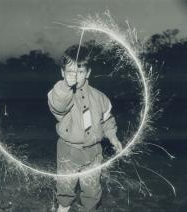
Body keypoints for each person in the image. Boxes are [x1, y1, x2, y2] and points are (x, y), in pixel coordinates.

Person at [47, 45, 122, 212]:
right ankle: (63, 206)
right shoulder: (60, 93)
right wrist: (65, 85)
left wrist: (113, 137)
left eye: (80, 72)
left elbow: (107, 119)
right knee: (66, 184)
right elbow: (58, 105)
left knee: (92, 187)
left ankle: (89, 208)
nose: (75, 76)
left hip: (94, 151)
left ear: (88, 73)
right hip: (68, 150)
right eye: (70, 72)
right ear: (62, 73)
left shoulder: (100, 97)